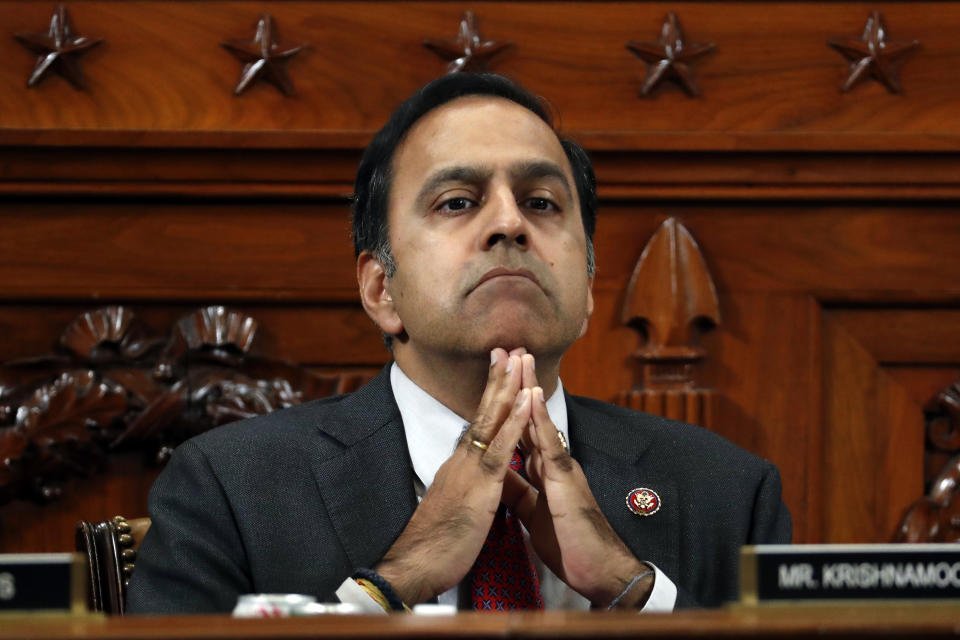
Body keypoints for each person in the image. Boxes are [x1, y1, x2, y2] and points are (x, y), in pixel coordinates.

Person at [127, 73, 791, 615]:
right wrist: (391, 586)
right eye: (455, 202)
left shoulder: (728, 494)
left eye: (541, 202)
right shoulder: (230, 489)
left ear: (588, 291)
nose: (508, 222)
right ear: (381, 290)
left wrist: (633, 591)